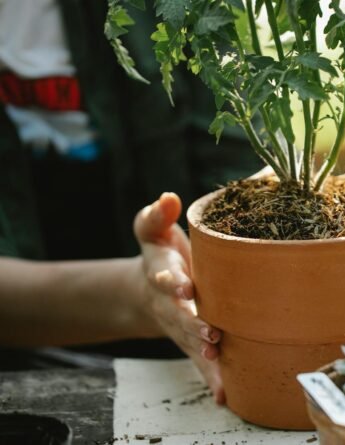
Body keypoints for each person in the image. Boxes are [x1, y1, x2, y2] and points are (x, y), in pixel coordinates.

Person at [0, 0, 259, 402]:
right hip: (22, 377)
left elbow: (241, 162)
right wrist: (144, 294)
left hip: (195, 348)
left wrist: (305, 200)